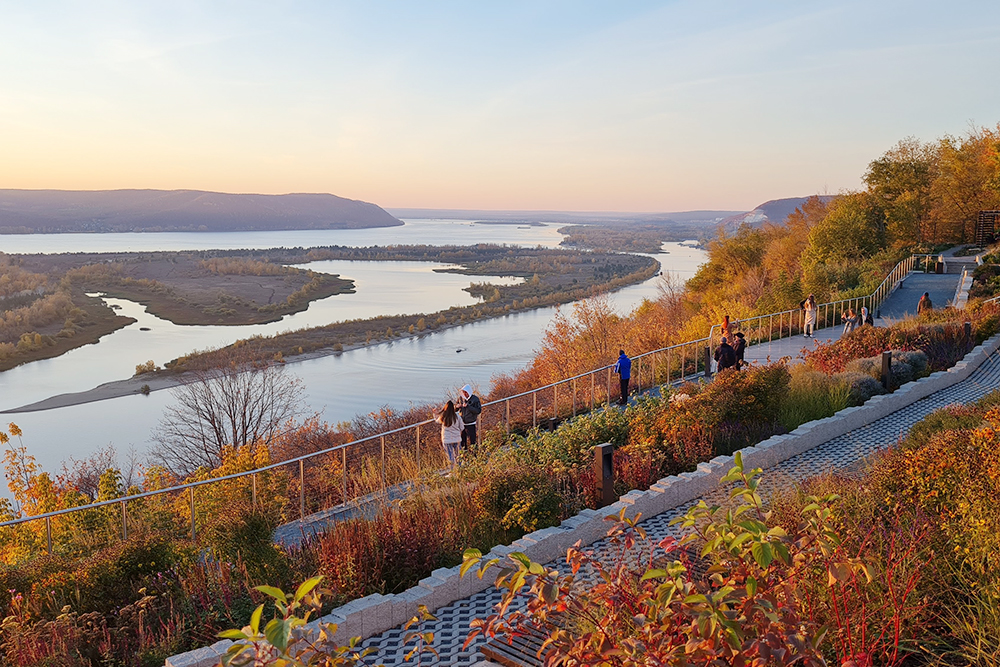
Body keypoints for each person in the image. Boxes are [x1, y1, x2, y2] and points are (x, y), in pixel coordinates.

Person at [432, 400, 462, 470]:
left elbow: (437, 420)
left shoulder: (443, 417)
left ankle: (452, 471)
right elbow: (462, 427)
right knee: (459, 455)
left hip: (446, 439)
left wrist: (435, 414)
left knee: (450, 456)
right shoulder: (458, 417)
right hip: (457, 439)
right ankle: (460, 470)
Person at [456, 384, 481, 449]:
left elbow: (478, 410)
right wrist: (456, 407)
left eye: (466, 392)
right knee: (462, 441)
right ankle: (464, 455)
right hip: (462, 423)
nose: (465, 394)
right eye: (463, 392)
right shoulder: (460, 398)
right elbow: (455, 409)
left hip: (471, 423)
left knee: (472, 441)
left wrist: (468, 407)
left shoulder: (475, 399)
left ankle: (474, 454)